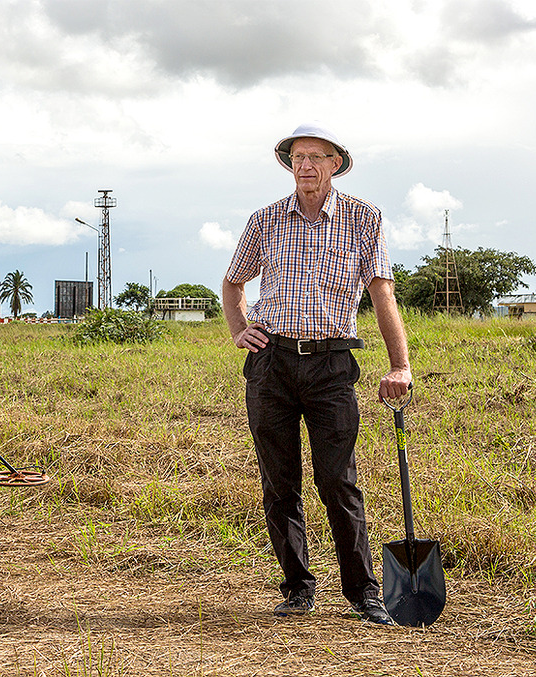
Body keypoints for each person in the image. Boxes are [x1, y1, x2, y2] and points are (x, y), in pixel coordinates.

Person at [222, 122, 412, 625]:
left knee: (338, 480)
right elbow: (232, 282)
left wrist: (400, 365)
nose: (305, 165)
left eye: (316, 157)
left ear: (336, 164)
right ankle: (298, 589)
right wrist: (241, 330)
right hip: (271, 364)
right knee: (279, 481)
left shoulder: (363, 219)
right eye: (297, 157)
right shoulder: (264, 219)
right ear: (290, 165)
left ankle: (363, 592)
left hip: (331, 364)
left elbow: (381, 294)